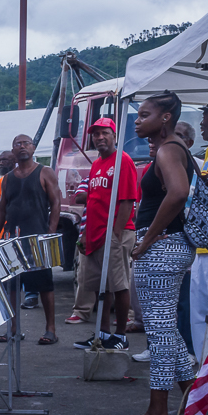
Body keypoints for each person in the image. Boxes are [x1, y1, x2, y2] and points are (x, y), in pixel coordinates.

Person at [116, 91, 195, 415]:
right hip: (171, 247)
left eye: (144, 114)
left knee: (160, 333)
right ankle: (194, 398)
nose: (137, 119)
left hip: (162, 249)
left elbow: (178, 193)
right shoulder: (176, 149)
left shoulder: (167, 149)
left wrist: (146, 239)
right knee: (167, 330)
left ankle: (158, 412)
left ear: (165, 118)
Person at [68, 118, 138, 348]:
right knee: (102, 287)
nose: (100, 138)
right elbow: (93, 202)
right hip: (96, 234)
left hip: (116, 233)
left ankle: (120, 336)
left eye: (104, 133)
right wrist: (87, 232)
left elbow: (127, 200)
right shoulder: (98, 164)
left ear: (114, 135)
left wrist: (116, 234)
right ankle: (103, 333)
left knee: (119, 285)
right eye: (96, 134)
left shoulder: (122, 161)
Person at [0, 134, 61, 345]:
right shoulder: (8, 179)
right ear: (13, 151)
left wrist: (50, 231)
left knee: (44, 284)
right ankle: (13, 328)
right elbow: (2, 209)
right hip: (13, 239)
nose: (21, 147)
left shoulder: (45, 172)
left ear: (33, 148)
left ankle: (51, 330)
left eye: (25, 143)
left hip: (38, 238)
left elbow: (56, 202)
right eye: (17, 144)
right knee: (11, 285)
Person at [188, 93, 208, 362]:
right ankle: (202, 374)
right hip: (203, 249)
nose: (201, 121)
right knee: (199, 318)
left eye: (206, 114)